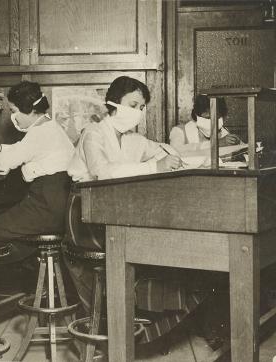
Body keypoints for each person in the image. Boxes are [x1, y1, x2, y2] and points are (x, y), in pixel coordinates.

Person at [65, 76, 206, 344]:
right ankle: (123, 325)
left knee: (165, 246)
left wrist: (174, 156)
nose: (138, 112)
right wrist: (155, 166)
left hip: (115, 212)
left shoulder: (133, 139)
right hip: (84, 213)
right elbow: (102, 172)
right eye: (133, 104)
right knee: (148, 248)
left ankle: (138, 325)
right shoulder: (93, 133)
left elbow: (162, 149)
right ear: (114, 102)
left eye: (142, 107)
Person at [0, 81, 74, 259]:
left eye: (13, 111)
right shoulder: (49, 127)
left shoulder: (39, 133)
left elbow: (6, 162)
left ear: (28, 109)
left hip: (46, 206)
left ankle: (6, 283)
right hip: (56, 203)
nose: (13, 117)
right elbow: (22, 149)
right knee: (2, 224)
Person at [169, 94, 240, 153]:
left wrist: (237, 143)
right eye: (208, 117)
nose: (213, 121)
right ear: (197, 115)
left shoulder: (222, 132)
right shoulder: (179, 131)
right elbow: (176, 151)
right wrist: (217, 144)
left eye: (217, 117)